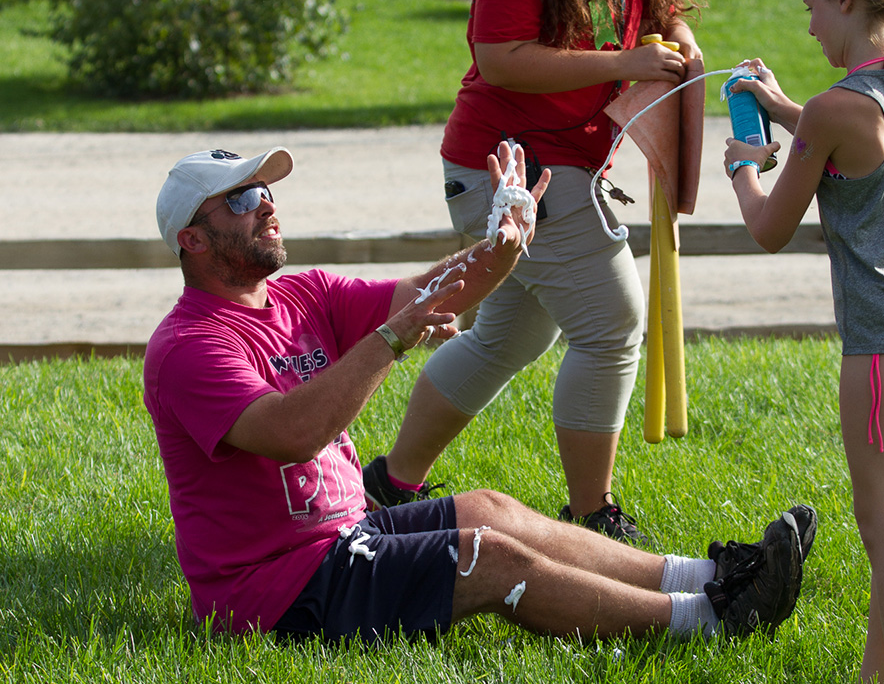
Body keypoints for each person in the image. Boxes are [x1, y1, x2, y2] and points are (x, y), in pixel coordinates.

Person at [143, 143, 812, 644]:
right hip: (274, 591)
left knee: (491, 509)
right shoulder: (189, 347)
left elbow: (433, 294)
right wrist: (390, 340)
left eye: (263, 189)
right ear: (194, 241)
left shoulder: (302, 293)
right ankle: (712, 621)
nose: (265, 203)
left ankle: (712, 575)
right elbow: (292, 432)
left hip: (343, 536)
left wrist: (504, 243)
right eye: (239, 198)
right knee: (485, 559)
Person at [362, 0, 704, 544]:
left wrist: (679, 34)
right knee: (610, 325)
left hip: (552, 163)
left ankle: (388, 488)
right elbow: (500, 57)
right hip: (512, 167)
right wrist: (624, 65)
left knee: (508, 336)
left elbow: (656, 7)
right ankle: (591, 520)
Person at [720, 0, 884, 681]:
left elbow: (768, 228)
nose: (810, 28)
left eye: (812, 9)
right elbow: (857, 139)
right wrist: (784, 106)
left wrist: (741, 165)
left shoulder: (829, 112)